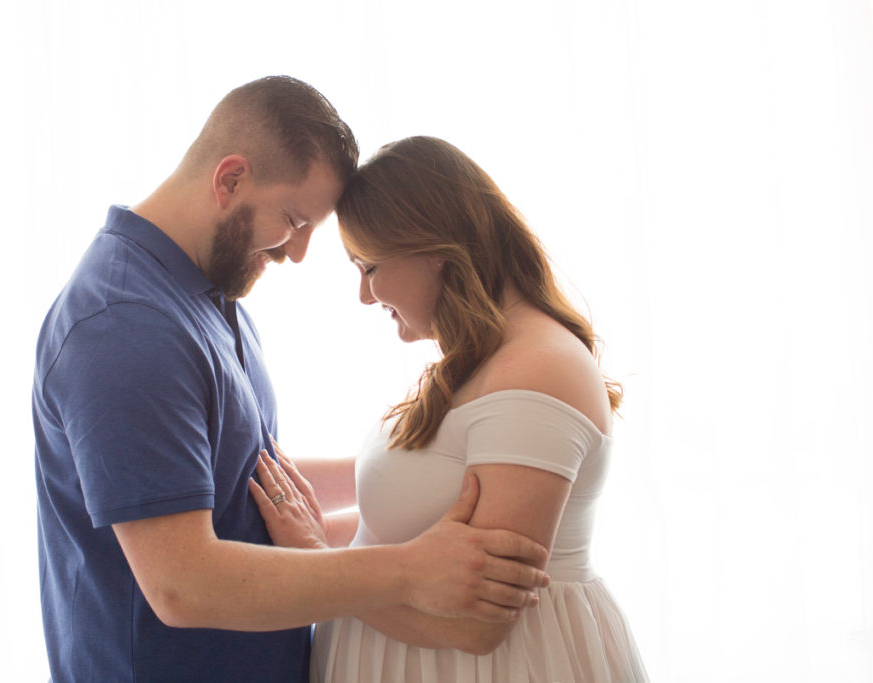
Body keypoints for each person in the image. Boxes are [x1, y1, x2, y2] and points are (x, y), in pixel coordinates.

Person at [32, 78, 551, 683]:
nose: (298, 252)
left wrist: (421, 473)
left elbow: (246, 481)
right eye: (293, 219)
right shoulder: (123, 325)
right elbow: (182, 584)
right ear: (230, 180)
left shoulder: (204, 292)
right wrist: (411, 568)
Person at [253, 136, 650, 682]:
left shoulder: (536, 370)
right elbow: (395, 522)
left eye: (369, 266)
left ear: (436, 250)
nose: (365, 295)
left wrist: (317, 558)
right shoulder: (485, 361)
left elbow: (475, 626)